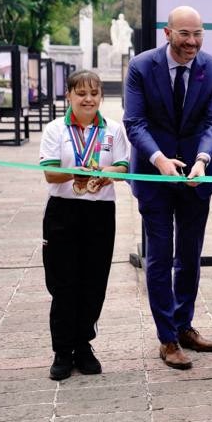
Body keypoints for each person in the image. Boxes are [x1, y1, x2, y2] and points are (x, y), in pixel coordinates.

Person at [124, 5, 212, 370]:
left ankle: (184, 326)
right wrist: (160, 160)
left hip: (195, 178)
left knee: (189, 256)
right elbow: (134, 123)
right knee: (159, 258)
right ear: (167, 34)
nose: (192, 42)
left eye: (198, 34)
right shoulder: (141, 67)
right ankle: (167, 338)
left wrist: (201, 160)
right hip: (155, 177)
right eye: (184, 34)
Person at [39, 70, 129, 380]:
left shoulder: (113, 130)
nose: (88, 99)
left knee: (94, 282)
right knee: (63, 284)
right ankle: (62, 351)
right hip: (63, 212)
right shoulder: (55, 129)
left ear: (101, 96)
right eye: (81, 93)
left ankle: (83, 346)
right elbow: (50, 173)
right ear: (69, 96)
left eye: (94, 93)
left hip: (100, 211)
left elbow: (123, 165)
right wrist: (73, 172)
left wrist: (110, 173)